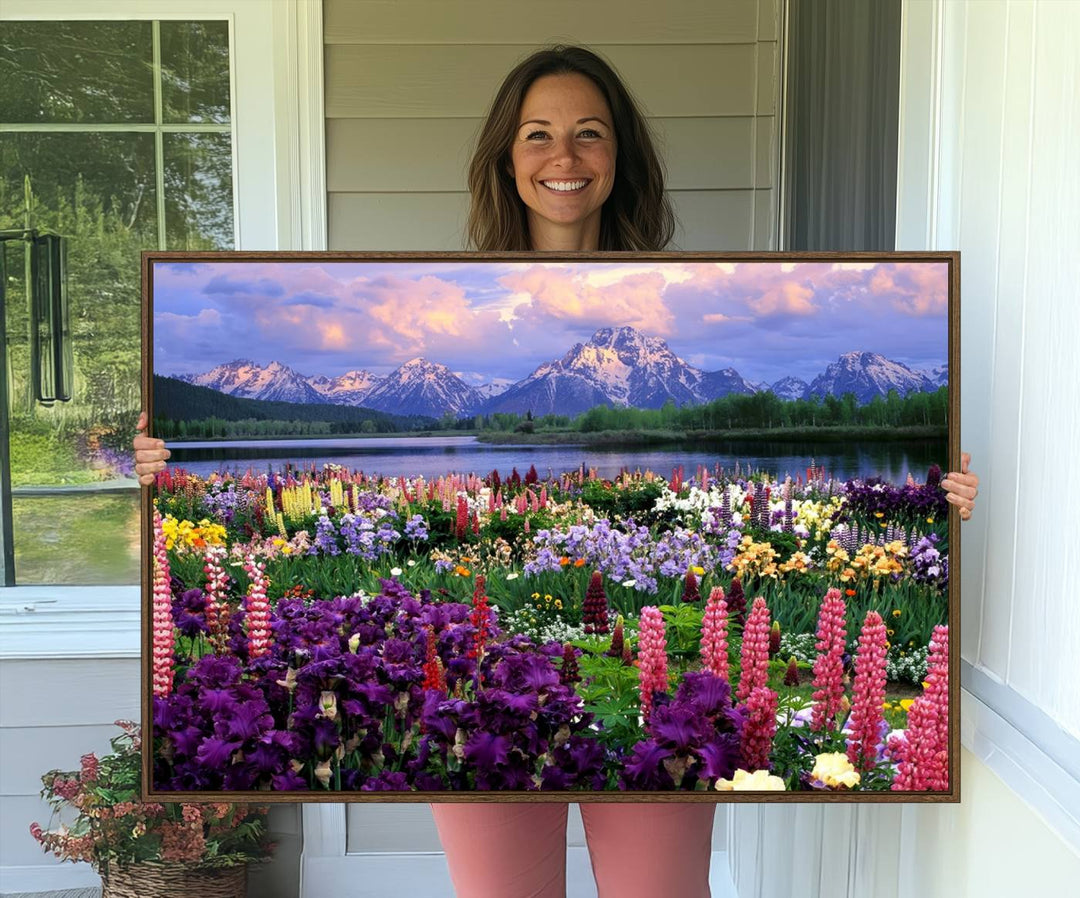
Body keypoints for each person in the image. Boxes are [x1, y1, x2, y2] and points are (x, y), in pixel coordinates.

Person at [134, 45, 980, 898]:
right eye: (537, 134)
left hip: (662, 711)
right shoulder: (450, 289)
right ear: (507, 157)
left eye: (589, 134)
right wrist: (153, 464)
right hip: (483, 682)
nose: (564, 157)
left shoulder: (675, 292)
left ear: (621, 158)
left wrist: (942, 503)